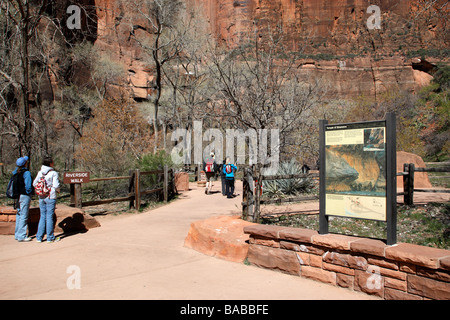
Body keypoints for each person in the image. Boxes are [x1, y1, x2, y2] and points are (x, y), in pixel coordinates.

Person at [33, 156, 60, 243]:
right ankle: (50, 237)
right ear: (50, 163)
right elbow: (56, 185)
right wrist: (56, 190)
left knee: (42, 216)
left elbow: (34, 183)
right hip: (50, 196)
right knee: (49, 217)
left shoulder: (40, 172)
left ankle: (39, 237)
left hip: (41, 196)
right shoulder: (53, 173)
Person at [13, 156, 34, 242]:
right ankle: (22, 235)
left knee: (19, 214)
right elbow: (28, 186)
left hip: (17, 196)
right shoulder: (26, 173)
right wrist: (29, 192)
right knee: (24, 215)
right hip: (24, 195)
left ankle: (17, 234)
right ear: (25, 163)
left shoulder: (15, 172)